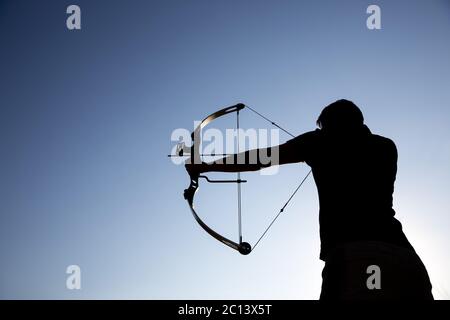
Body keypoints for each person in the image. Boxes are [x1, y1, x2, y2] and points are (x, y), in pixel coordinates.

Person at [186, 99, 433, 300]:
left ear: (329, 124)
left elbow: (263, 157)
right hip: (408, 262)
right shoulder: (386, 146)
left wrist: (206, 167)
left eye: (322, 126)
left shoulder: (321, 141)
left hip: (362, 258)